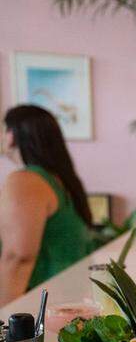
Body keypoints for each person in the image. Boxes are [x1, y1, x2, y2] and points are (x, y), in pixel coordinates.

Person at [0, 105, 94, 305]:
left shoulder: (26, 181)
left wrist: (4, 316)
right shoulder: (61, 181)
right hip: (65, 304)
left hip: (38, 308)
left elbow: (18, 257)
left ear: (11, 136)